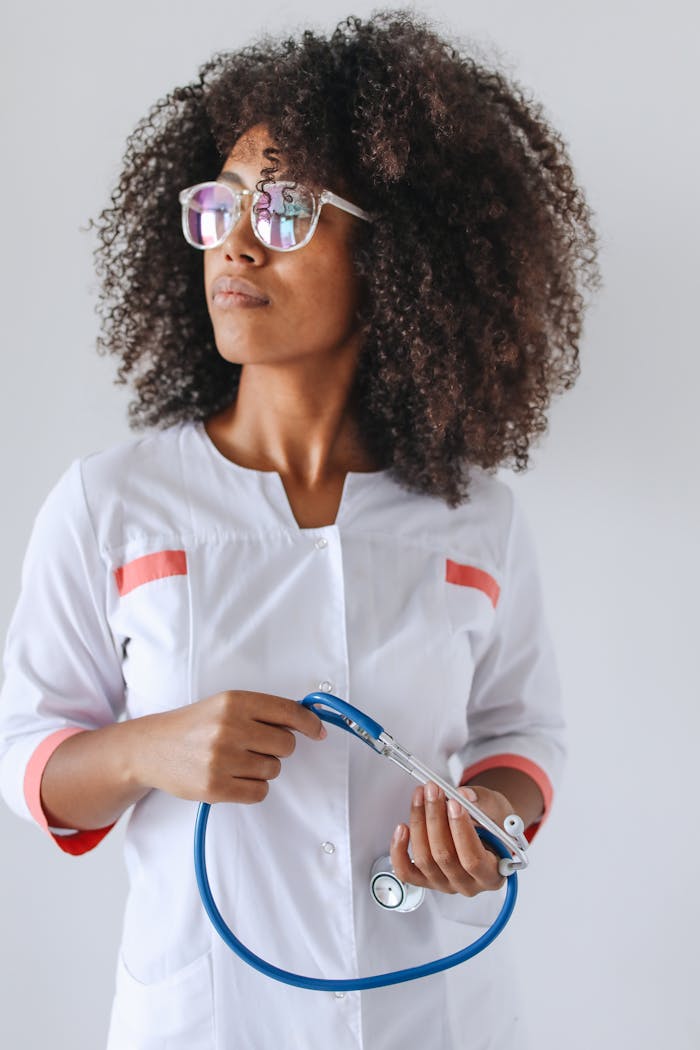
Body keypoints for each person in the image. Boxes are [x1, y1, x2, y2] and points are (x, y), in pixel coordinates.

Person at [0, 9, 601, 1049]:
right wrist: (149, 748)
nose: (232, 241)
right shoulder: (112, 502)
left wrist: (488, 817)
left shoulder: (474, 519)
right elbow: (28, 753)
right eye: (217, 207)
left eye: (282, 211)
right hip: (205, 1017)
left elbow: (521, 736)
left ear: (396, 256)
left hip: (430, 1006)